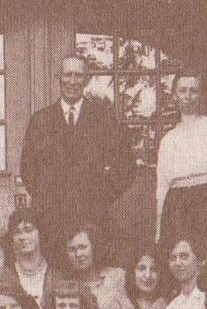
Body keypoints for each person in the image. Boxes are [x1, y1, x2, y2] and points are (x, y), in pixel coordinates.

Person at [19, 52, 134, 237]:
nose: (72, 81)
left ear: (86, 79)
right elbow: (28, 168)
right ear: (59, 78)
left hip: (92, 218)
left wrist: (100, 197)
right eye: (67, 75)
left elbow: (125, 167)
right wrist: (47, 198)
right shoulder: (41, 120)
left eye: (78, 75)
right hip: (50, 219)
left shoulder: (103, 118)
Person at [155, 70, 207, 244]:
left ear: (200, 94)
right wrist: (159, 227)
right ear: (174, 95)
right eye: (182, 91)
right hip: (177, 202)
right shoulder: (169, 139)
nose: (188, 96)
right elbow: (162, 187)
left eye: (193, 90)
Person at [60, 222, 130, 309]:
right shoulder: (68, 288)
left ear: (94, 247)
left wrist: (160, 301)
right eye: (72, 249)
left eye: (82, 247)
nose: (78, 254)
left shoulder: (117, 275)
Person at [159, 234, 207, 309]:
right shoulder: (172, 307)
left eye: (184, 257)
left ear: (199, 261)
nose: (177, 263)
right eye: (173, 258)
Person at [8, 208, 52, 304]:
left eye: (28, 230)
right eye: (17, 232)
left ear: (40, 233)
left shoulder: (55, 275)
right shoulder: (7, 274)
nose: (23, 237)